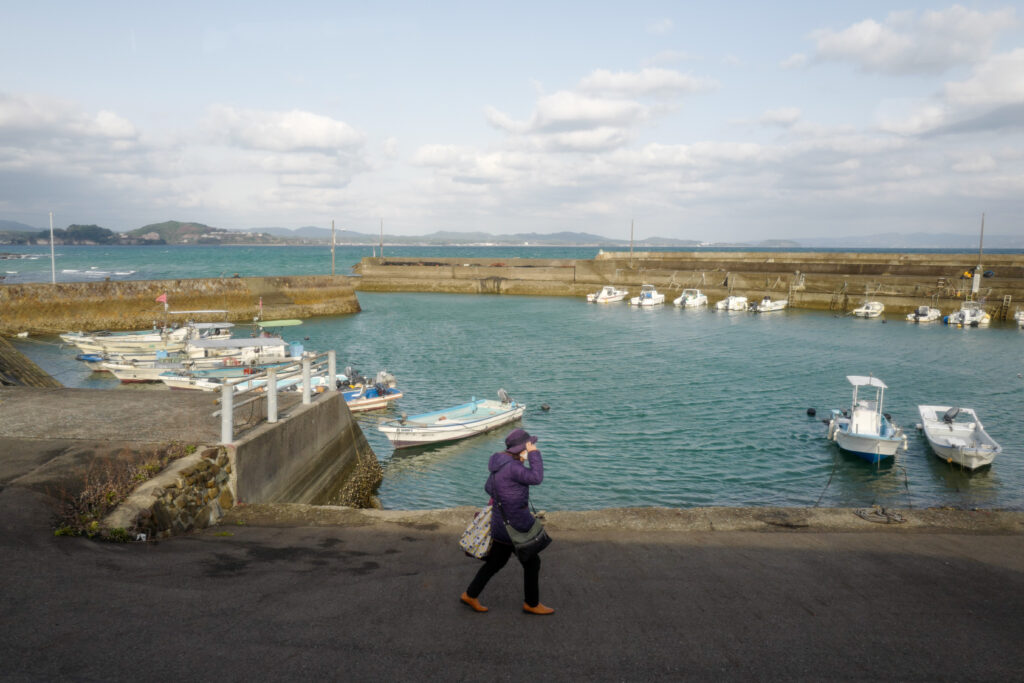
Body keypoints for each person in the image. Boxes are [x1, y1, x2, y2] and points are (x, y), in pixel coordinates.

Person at [460, 428, 554, 615]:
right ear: (522, 449)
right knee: (532, 562)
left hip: (501, 524)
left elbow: (489, 487)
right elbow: (537, 477)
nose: (532, 447)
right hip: (515, 526)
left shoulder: (500, 464)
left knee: (496, 562)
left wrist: (505, 496)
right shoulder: (514, 467)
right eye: (530, 445)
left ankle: (470, 594)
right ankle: (531, 604)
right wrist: (535, 454)